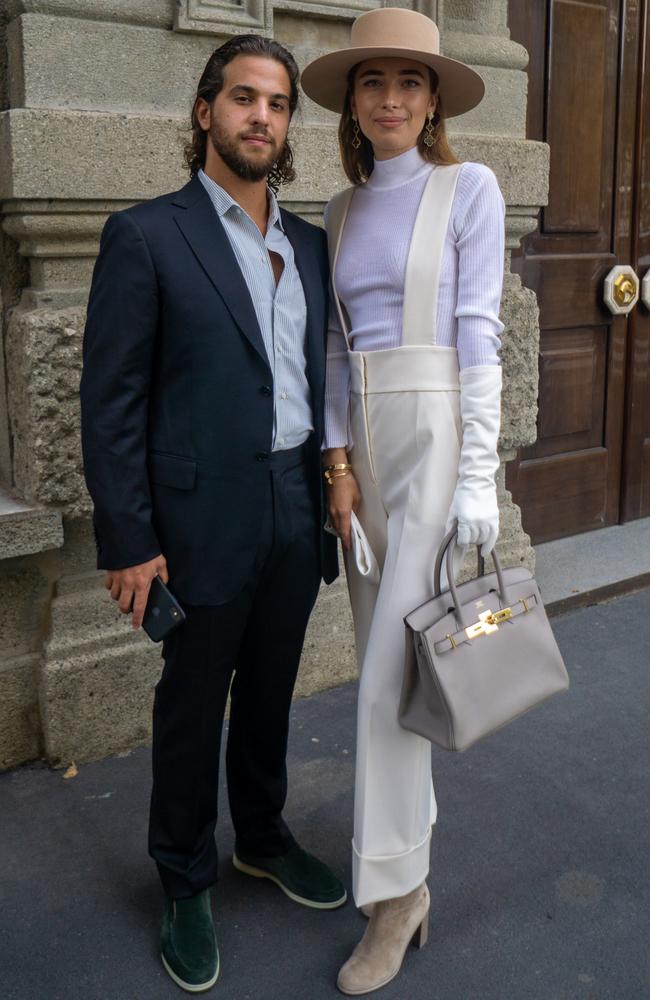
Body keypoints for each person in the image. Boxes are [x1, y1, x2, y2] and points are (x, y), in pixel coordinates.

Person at [80, 35, 344, 994]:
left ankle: (263, 838)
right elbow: (109, 403)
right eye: (243, 99)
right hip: (195, 524)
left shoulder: (310, 243)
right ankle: (184, 879)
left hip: (293, 503)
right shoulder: (147, 235)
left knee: (274, 686)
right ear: (206, 113)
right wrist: (130, 540)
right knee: (192, 705)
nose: (261, 118)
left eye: (276, 104)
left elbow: (326, 383)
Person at [301, 8, 505, 995]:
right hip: (365, 457)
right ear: (353, 98)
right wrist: (335, 462)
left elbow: (477, 334)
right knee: (392, 652)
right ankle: (404, 861)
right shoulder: (338, 213)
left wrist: (476, 477)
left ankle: (395, 896)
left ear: (431, 102)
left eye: (408, 82)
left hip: (432, 439)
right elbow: (336, 348)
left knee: (388, 676)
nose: (389, 98)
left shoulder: (467, 187)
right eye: (372, 81)